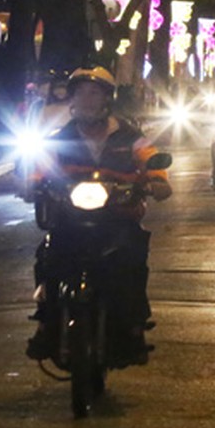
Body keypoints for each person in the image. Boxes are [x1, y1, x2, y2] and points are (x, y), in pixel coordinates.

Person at [26, 66, 172, 365]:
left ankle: (133, 327)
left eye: (94, 93)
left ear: (107, 99)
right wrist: (31, 183)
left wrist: (157, 180)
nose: (87, 100)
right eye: (80, 93)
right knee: (48, 258)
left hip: (117, 217)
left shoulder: (130, 136)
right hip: (70, 218)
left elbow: (150, 159)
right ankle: (45, 324)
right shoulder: (59, 138)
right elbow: (40, 168)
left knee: (131, 260)